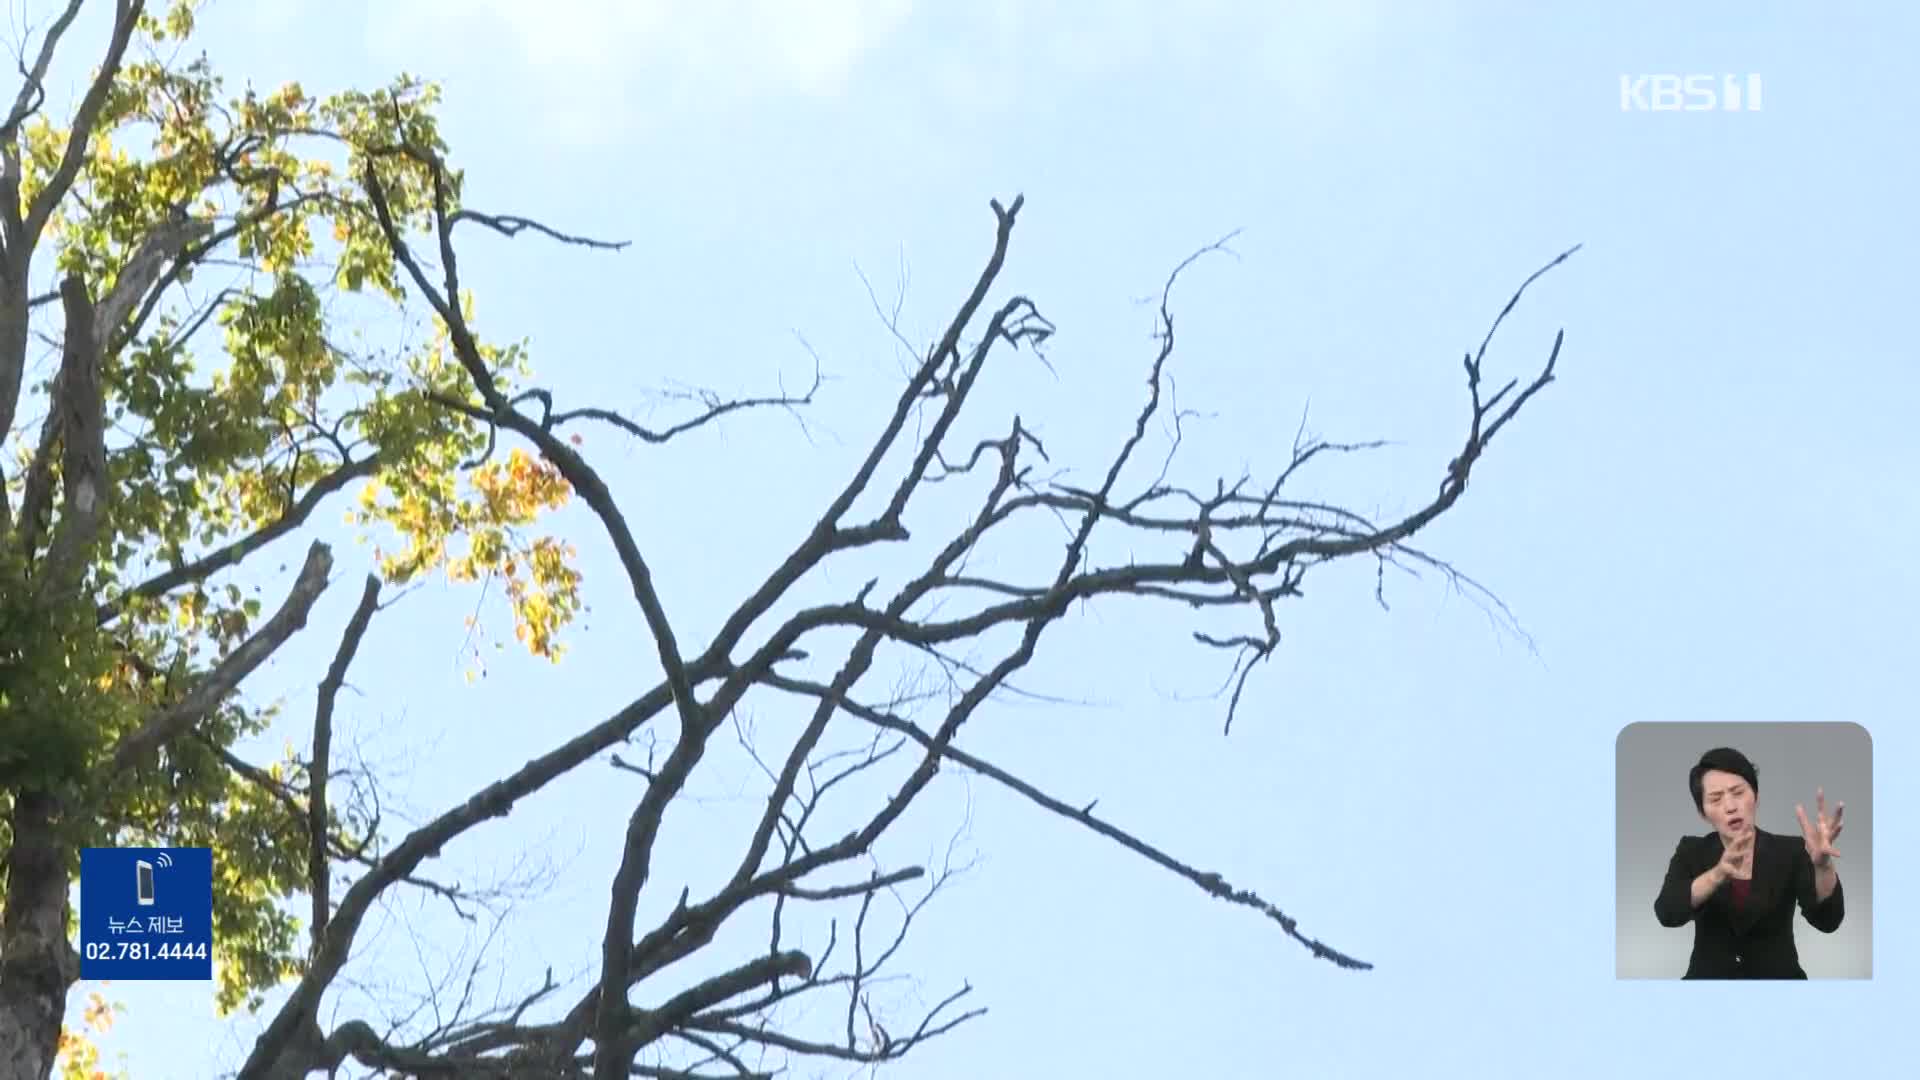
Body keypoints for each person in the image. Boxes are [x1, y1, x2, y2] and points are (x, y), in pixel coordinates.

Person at [1653, 747, 1846, 978]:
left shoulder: (1791, 851)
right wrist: (1715, 876)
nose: (1730, 806)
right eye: (1716, 798)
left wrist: (1823, 867)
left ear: (1755, 796)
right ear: (1702, 813)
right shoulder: (1691, 851)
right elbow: (1667, 912)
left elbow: (1828, 921)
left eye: (1738, 792)